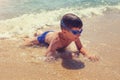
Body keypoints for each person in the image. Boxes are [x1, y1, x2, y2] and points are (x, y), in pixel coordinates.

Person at [23, 13, 99, 61]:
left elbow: (80, 48)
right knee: (29, 42)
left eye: (80, 31)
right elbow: (48, 55)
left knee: (45, 34)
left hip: (52, 33)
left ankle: (38, 32)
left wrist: (88, 54)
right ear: (64, 31)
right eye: (75, 32)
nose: (79, 34)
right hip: (45, 37)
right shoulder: (56, 40)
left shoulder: (75, 36)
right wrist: (64, 56)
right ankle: (29, 35)